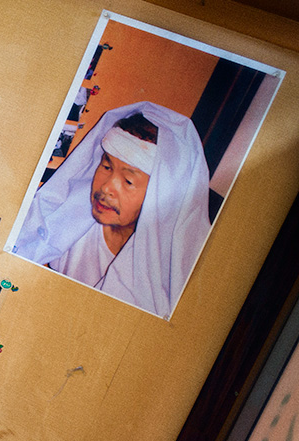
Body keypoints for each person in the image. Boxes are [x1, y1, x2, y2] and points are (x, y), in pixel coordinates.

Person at [12, 101, 211, 317]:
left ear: (161, 195)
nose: (106, 188)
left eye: (128, 181)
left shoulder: (170, 275)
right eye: (106, 166)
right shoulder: (68, 229)